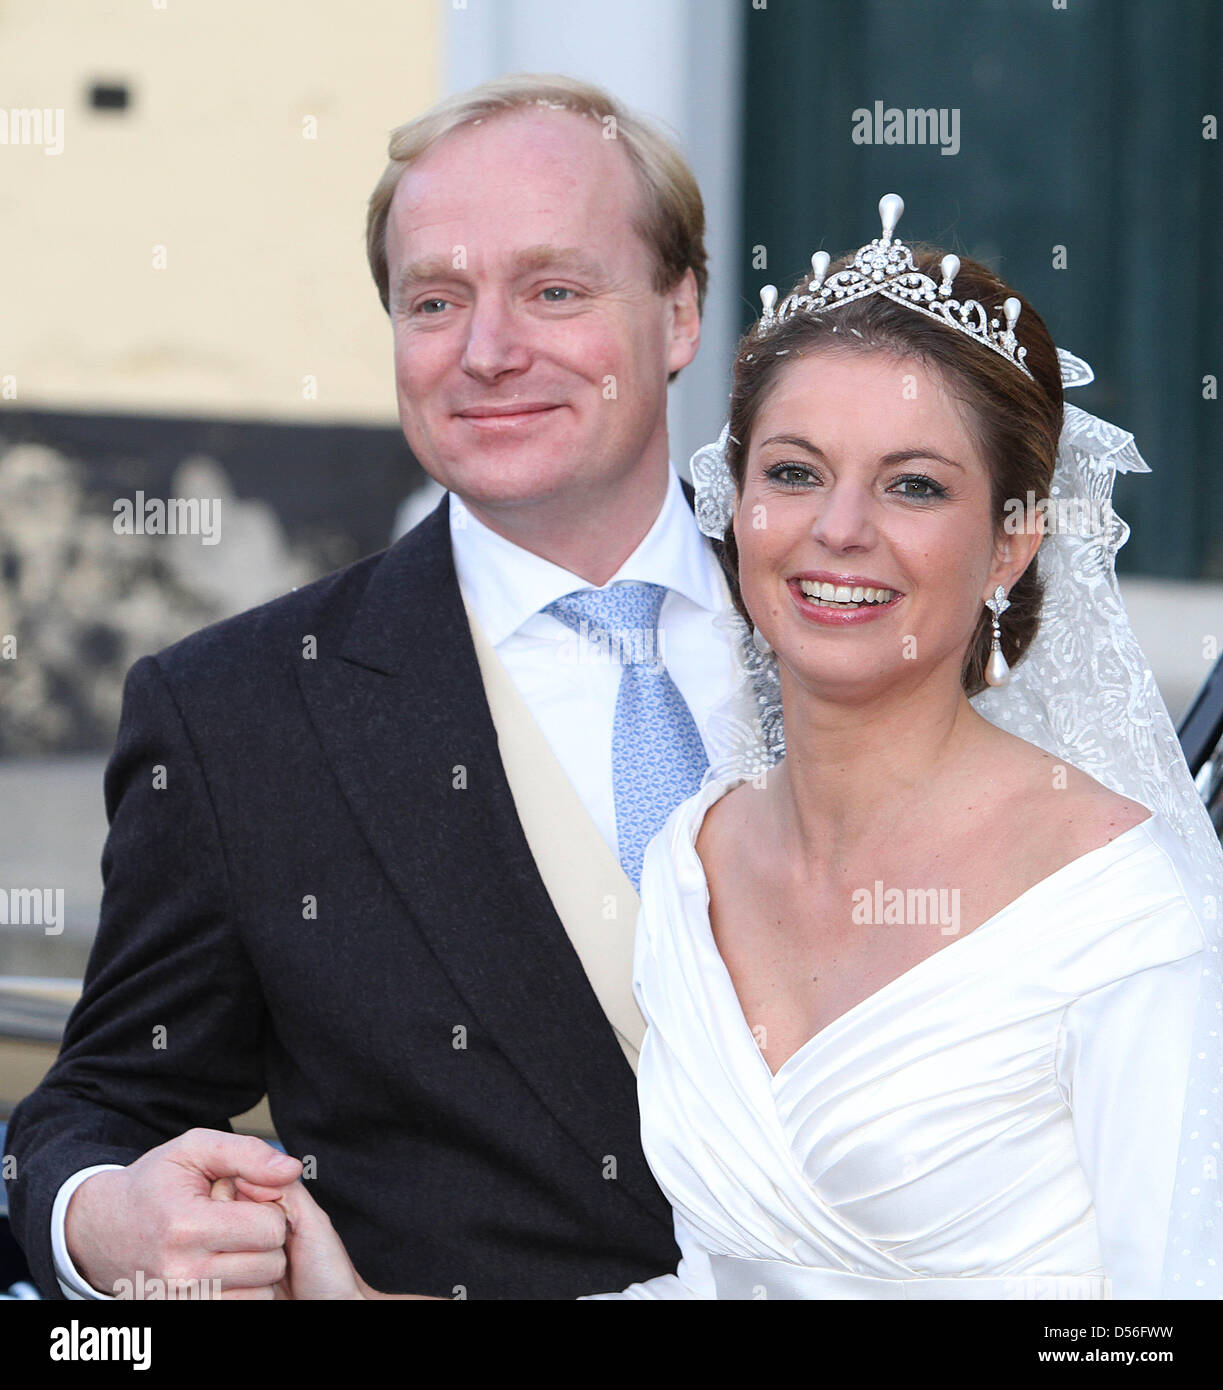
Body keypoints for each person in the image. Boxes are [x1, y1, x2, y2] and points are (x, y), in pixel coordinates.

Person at [259, 195, 1223, 1300]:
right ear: (736, 503)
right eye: (795, 472)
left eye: (912, 484)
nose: (838, 527)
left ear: (1010, 542)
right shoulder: (692, 857)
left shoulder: (1119, 910)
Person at [4, 74, 753, 1300]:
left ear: (678, 315)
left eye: (555, 290)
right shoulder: (240, 714)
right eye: (435, 300)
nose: (488, 350)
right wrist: (107, 1223)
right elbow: (103, 1099)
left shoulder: (859, 622)